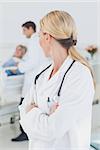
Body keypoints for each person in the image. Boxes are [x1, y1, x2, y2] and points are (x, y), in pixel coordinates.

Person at [19, 10, 95, 150]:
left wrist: (33, 112)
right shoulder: (42, 75)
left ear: (47, 37)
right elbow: (22, 111)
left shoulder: (79, 75)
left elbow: (53, 130)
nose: (39, 41)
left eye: (40, 35)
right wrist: (44, 117)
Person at [11, 21, 50, 142]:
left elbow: (33, 62)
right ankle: (27, 132)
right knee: (28, 104)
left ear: (30, 29)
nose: (23, 33)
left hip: (32, 78)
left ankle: (25, 133)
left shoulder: (34, 42)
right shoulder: (35, 41)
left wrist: (19, 67)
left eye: (24, 30)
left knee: (24, 105)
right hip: (35, 77)